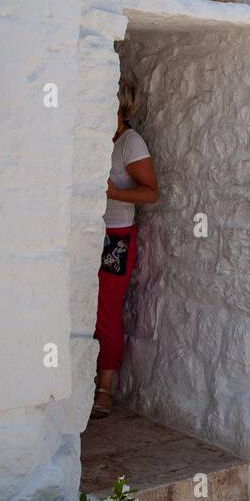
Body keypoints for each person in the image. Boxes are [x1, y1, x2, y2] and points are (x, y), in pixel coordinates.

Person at [91, 81, 158, 419]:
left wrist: (115, 194)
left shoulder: (131, 143)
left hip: (115, 235)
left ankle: (104, 387)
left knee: (106, 309)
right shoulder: (97, 134)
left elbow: (151, 193)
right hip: (88, 230)